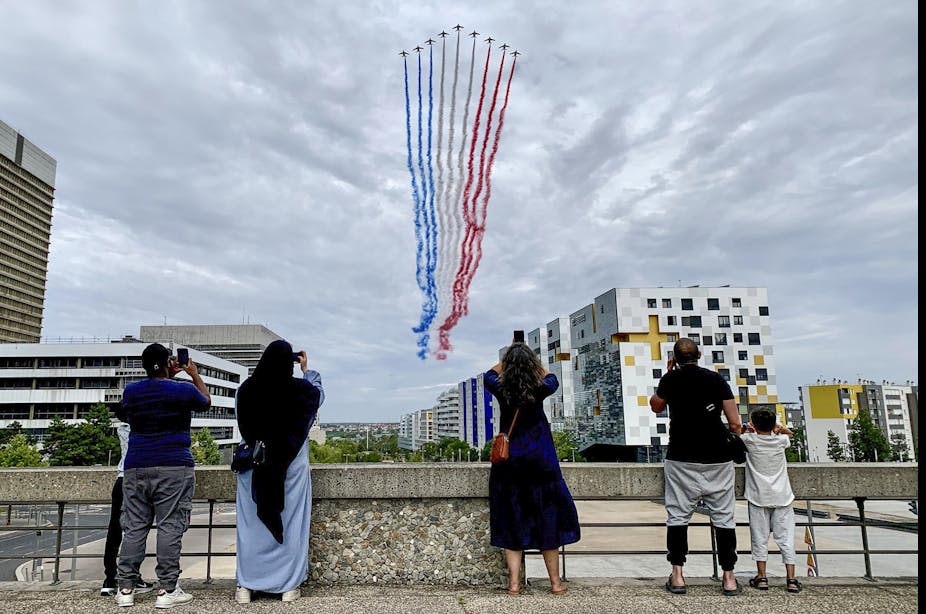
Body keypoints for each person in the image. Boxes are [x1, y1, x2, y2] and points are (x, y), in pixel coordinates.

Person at [115, 343, 210, 608]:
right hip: (173, 465)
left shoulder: (131, 391)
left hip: (136, 465)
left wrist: (167, 375)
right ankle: (167, 589)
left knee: (134, 527)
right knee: (169, 525)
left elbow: (127, 411)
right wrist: (192, 374)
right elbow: (205, 401)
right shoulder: (182, 390)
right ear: (170, 363)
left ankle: (125, 589)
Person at [484, 338, 580, 596]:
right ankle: (555, 584)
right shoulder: (541, 388)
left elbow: (488, 375)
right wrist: (531, 363)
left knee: (511, 519)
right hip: (541, 460)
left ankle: (514, 585)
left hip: (510, 464)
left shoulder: (500, 388)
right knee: (548, 519)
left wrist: (508, 359)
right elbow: (552, 379)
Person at [650, 337, 743, 596]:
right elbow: (734, 422)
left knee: (678, 516)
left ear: (675, 358)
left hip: (681, 455)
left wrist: (668, 374)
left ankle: (678, 576)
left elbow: (655, 406)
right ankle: (729, 577)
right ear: (699, 355)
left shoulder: (670, 380)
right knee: (724, 518)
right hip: (717, 457)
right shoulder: (716, 379)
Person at [234, 340, 324, 604]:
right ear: (290, 363)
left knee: (251, 528)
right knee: (292, 522)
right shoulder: (301, 391)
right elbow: (317, 395)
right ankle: (288, 585)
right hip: (290, 468)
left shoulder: (246, 390)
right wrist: (308, 371)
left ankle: (246, 586)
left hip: (254, 466)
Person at [741, 408, 802, 593]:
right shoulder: (781, 441)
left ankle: (762, 577)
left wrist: (747, 429)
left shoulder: (749, 441)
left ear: (754, 424)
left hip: (758, 496)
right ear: (773, 424)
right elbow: (789, 434)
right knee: (786, 539)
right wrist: (779, 428)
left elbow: (737, 434)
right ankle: (791, 579)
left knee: (759, 538)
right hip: (782, 496)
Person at [100, 418, 154, 597]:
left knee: (114, 530)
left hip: (121, 479)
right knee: (137, 530)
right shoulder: (145, 426)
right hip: (138, 478)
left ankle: (109, 578)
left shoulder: (122, 428)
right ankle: (131, 577)